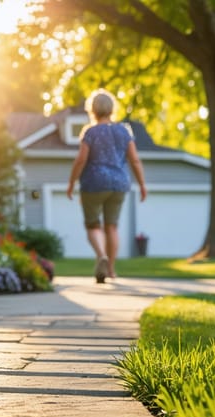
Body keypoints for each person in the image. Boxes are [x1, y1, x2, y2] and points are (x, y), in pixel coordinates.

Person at [66, 89, 147, 283]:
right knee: (112, 227)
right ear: (112, 109)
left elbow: (81, 160)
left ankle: (101, 255)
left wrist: (71, 183)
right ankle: (110, 269)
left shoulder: (90, 132)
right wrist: (142, 185)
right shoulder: (124, 130)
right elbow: (134, 160)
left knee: (93, 225)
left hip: (93, 182)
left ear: (92, 110)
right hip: (119, 183)